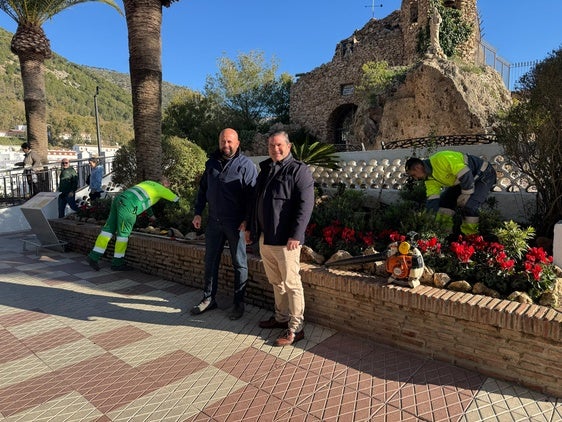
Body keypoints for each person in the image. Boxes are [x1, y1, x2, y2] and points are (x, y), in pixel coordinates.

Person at [248, 131, 314, 347]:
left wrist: (296, 234)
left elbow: (305, 206)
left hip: (286, 240)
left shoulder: (299, 170)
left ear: (289, 146)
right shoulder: (266, 168)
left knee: (292, 283)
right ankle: (281, 317)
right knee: (276, 281)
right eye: (271, 146)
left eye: (279, 145)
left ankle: (296, 327)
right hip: (266, 237)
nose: (275, 149)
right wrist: (250, 228)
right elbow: (255, 200)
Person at [190, 128, 257, 320]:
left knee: (239, 264)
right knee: (210, 261)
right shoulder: (212, 164)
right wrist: (197, 213)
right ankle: (208, 299)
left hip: (236, 225)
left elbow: (252, 198)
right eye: (222, 142)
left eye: (229, 142)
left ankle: (238, 304)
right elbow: (203, 190)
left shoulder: (246, 166)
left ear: (237, 143)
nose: (225, 145)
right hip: (214, 223)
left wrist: (247, 221)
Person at [87, 177, 179, 271]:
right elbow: (176, 200)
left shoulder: (149, 182)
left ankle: (93, 256)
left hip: (119, 199)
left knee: (108, 230)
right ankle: (117, 263)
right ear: (166, 184)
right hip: (129, 205)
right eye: (169, 186)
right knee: (123, 235)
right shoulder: (162, 189)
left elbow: (144, 199)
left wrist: (151, 215)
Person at [405, 150, 497, 236]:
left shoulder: (441, 159)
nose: (415, 179)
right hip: (463, 180)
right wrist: (429, 215)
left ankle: (470, 237)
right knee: (444, 204)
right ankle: (444, 235)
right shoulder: (429, 179)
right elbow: (432, 199)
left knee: (469, 205)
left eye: (414, 175)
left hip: (484, 174)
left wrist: (466, 194)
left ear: (418, 167)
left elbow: (465, 173)